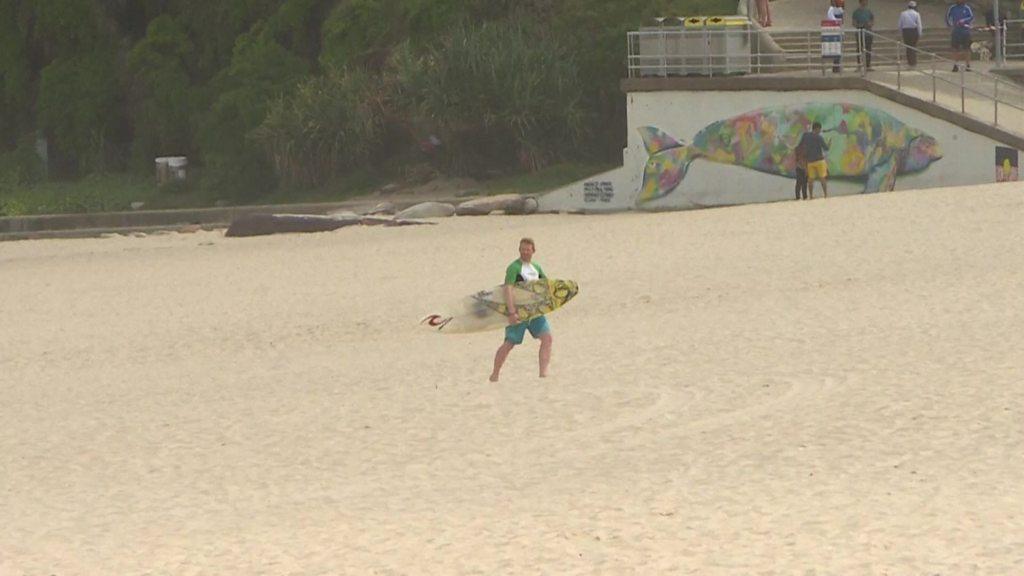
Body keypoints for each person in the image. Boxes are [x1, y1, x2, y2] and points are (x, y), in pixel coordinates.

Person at [489, 238, 553, 382]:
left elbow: (545, 286)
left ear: (533, 251)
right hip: (518, 312)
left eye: (527, 249)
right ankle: (495, 373)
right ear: (519, 250)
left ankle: (543, 373)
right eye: (522, 249)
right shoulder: (514, 267)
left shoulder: (536, 267)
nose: (525, 252)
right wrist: (511, 312)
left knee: (547, 338)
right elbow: (508, 289)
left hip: (535, 311)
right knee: (509, 343)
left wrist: (547, 304)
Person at [797, 122, 830, 199]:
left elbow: (800, 145)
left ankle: (811, 196)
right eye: (820, 129)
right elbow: (826, 148)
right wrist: (829, 144)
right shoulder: (819, 137)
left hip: (810, 161)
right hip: (819, 160)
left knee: (810, 179)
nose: (820, 131)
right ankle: (825, 195)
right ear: (817, 128)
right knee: (822, 178)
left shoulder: (805, 136)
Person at [947, 0, 975, 71]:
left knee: (967, 49)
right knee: (955, 48)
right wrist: (951, 25)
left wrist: (964, 21)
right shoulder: (952, 8)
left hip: (965, 31)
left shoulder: (967, 8)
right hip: (956, 32)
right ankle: (955, 65)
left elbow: (971, 17)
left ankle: (968, 65)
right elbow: (947, 18)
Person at [898, 1, 924, 66]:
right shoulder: (917, 14)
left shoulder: (903, 13)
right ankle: (913, 61)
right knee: (913, 46)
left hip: (906, 31)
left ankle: (910, 61)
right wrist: (920, 33)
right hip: (914, 31)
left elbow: (900, 24)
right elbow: (919, 24)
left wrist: (901, 32)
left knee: (908, 47)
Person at [852, 0, 875, 70]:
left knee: (868, 49)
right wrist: (859, 25)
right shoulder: (856, 12)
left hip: (868, 33)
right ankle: (859, 65)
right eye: (864, 1)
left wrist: (870, 24)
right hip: (860, 33)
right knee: (859, 49)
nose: (866, 2)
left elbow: (872, 20)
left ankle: (868, 65)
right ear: (860, 2)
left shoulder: (869, 11)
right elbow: (854, 23)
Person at [826, 0, 846, 72]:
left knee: (840, 50)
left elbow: (842, 21)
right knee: (837, 50)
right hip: (835, 31)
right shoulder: (831, 10)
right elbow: (832, 19)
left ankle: (837, 65)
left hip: (840, 31)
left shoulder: (839, 10)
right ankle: (835, 66)